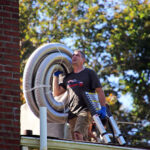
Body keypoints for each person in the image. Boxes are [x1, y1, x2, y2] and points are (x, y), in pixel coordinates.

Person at [53, 50, 106, 141]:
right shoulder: (68, 77)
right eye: (73, 55)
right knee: (78, 140)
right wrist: (55, 77)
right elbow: (56, 93)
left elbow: (100, 91)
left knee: (78, 133)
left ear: (83, 60)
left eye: (77, 55)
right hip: (72, 113)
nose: (74, 56)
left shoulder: (89, 73)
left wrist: (103, 108)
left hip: (86, 110)